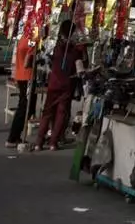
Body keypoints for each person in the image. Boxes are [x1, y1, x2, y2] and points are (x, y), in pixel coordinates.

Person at [35, 20, 87, 152]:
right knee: (60, 114)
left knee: (47, 113)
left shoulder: (55, 47)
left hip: (54, 83)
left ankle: (39, 142)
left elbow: (46, 61)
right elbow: (80, 68)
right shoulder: (75, 50)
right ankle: (53, 143)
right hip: (66, 84)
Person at [6, 33, 37, 148]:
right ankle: (13, 137)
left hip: (21, 76)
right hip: (27, 76)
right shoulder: (32, 40)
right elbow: (27, 61)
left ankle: (15, 136)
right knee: (25, 107)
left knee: (26, 106)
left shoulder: (23, 38)